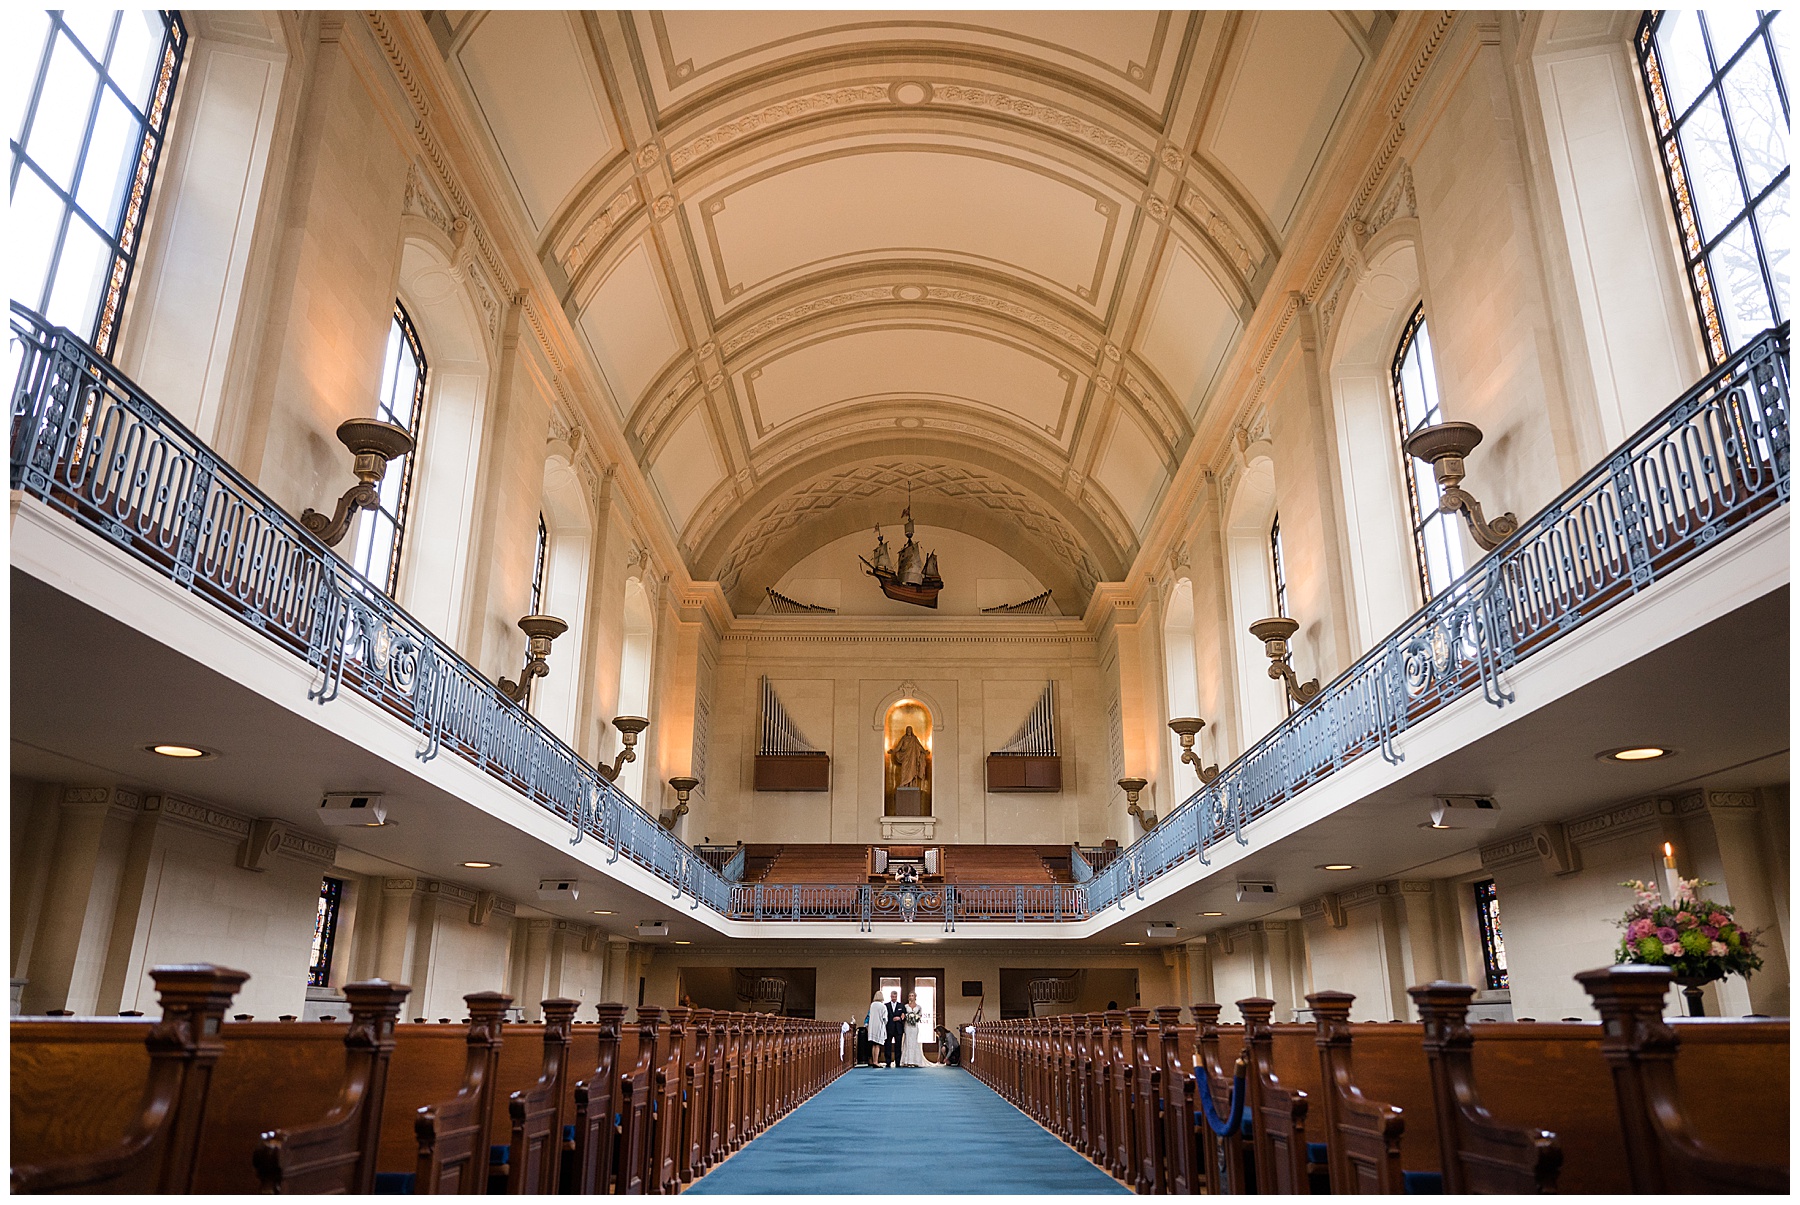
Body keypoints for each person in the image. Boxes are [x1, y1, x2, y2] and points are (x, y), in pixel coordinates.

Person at [900, 992, 926, 1067]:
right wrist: (906, 1016)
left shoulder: (919, 1007)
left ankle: (915, 1060)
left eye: (912, 996)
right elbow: (903, 1015)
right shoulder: (905, 1006)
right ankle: (906, 1060)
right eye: (910, 996)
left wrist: (915, 1018)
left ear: (915, 997)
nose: (911, 997)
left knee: (914, 1041)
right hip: (907, 1026)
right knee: (907, 1041)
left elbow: (920, 1015)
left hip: (914, 1026)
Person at [864, 993, 890, 1068]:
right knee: (877, 1044)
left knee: (874, 1044)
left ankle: (874, 1060)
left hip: (872, 1026)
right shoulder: (883, 1006)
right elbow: (885, 1018)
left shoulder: (872, 1005)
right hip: (879, 1026)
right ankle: (876, 1061)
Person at [883, 989, 906, 1067]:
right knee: (888, 1045)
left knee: (898, 1046)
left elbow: (904, 1016)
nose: (893, 998)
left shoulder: (901, 1006)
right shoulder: (886, 1005)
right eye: (892, 996)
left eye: (895, 996)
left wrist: (899, 1018)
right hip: (889, 1028)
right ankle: (888, 1061)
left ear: (897, 997)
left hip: (898, 1028)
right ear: (890, 996)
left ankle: (898, 1062)